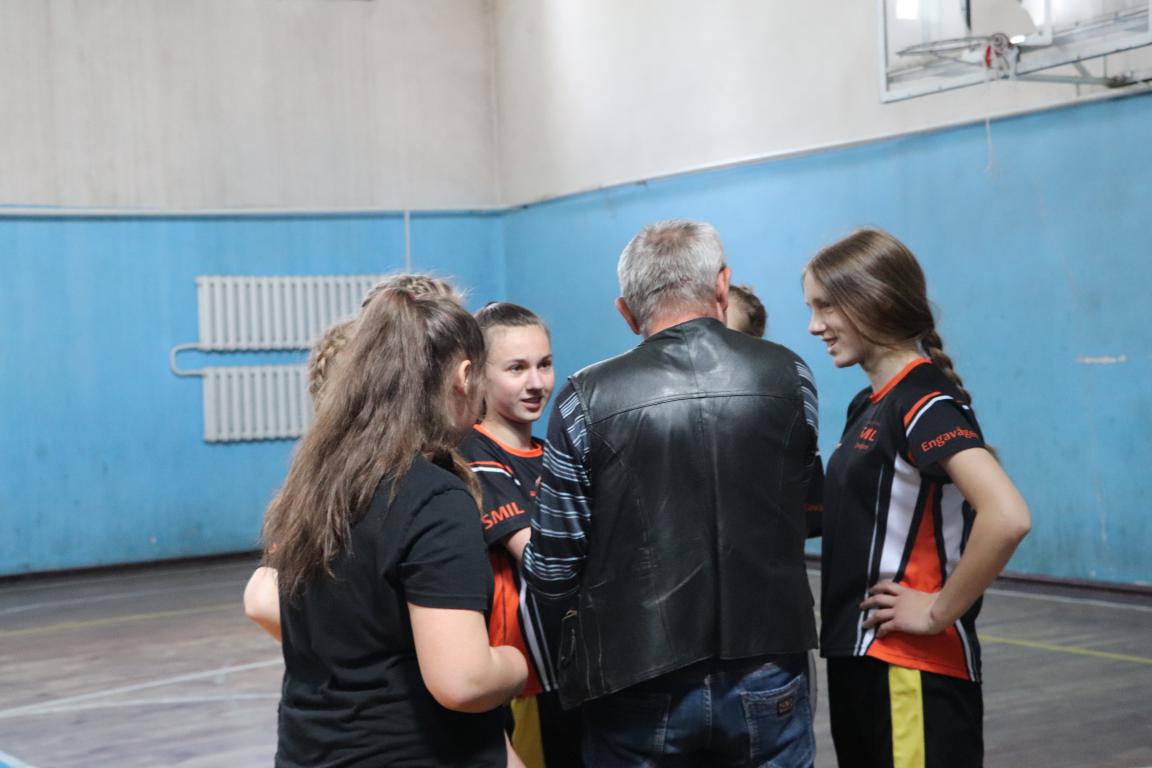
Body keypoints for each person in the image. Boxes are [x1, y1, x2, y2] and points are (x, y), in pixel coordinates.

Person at [523, 220, 821, 766]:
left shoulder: (583, 399)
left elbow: (553, 569)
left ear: (626, 310)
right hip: (768, 663)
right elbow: (807, 508)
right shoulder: (790, 374)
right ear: (722, 285)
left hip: (635, 673)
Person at [260, 275, 528, 767]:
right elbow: (463, 681)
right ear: (464, 376)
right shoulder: (433, 497)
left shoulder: (317, 482)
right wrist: (515, 663)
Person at [802, 228, 1030, 768]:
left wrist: (936, 611)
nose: (814, 325)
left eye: (826, 306)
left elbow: (1007, 516)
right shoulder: (869, 403)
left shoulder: (924, 401)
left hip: (912, 668)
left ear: (874, 299)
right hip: (862, 661)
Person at [459, 302, 581, 768]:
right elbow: (540, 555)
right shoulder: (474, 454)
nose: (536, 382)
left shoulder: (549, 453)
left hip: (568, 672)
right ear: (477, 374)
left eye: (544, 365)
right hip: (525, 679)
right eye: (517, 368)